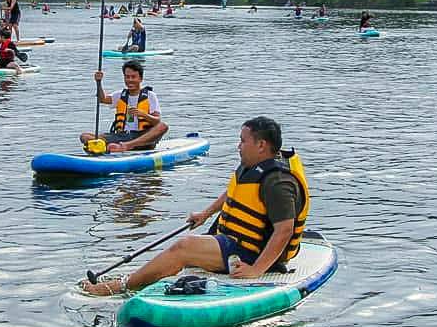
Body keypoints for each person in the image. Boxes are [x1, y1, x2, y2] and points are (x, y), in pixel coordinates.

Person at [80, 116, 309, 296]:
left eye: (242, 141)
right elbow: (234, 193)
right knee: (184, 249)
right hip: (235, 242)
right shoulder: (253, 167)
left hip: (252, 254)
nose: (238, 146)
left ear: (261, 145)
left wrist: (256, 270)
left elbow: (284, 230)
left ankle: (121, 286)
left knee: (185, 247)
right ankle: (137, 279)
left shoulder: (278, 182)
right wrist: (205, 214)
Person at [79, 59, 168, 152]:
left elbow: (157, 121)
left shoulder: (150, 96)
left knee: (163, 126)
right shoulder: (120, 95)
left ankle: (126, 146)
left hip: (142, 137)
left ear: (140, 79)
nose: (130, 80)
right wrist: (98, 82)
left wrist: (143, 114)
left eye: (133, 77)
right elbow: (102, 99)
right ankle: (109, 147)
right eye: (127, 77)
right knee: (85, 136)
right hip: (122, 136)